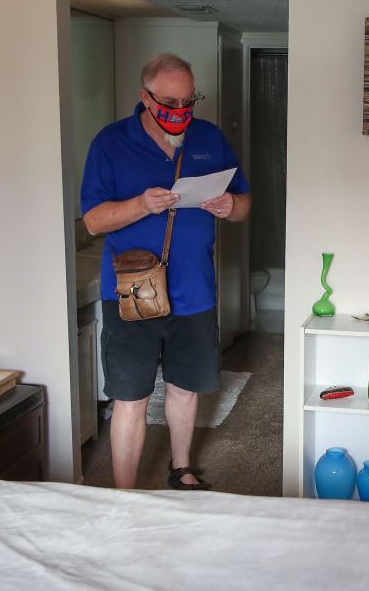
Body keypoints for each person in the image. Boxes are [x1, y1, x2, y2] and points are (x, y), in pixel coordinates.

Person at [80, 53, 251, 490]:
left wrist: (232, 207)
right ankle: (125, 492)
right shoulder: (111, 142)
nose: (179, 112)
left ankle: (181, 468)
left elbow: (244, 203)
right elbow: (93, 221)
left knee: (185, 387)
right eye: (169, 102)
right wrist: (141, 204)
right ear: (145, 96)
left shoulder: (209, 138)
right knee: (131, 397)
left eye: (187, 102)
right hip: (132, 294)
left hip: (195, 291)